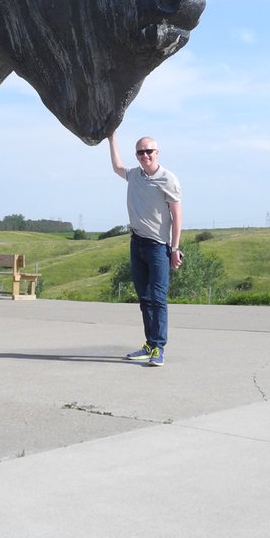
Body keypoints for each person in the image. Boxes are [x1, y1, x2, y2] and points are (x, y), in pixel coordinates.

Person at [108, 132, 183, 367]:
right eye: (141, 152)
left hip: (158, 247)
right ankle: (149, 344)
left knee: (158, 298)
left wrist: (175, 248)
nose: (145, 155)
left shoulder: (168, 179)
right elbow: (117, 167)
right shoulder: (134, 175)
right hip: (137, 243)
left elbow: (176, 215)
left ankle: (158, 348)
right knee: (144, 298)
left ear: (157, 153)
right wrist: (111, 139)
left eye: (149, 151)